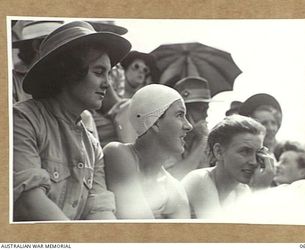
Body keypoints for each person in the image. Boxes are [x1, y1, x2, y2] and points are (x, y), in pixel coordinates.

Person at [13, 21, 131, 221]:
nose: (107, 84)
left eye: (109, 73)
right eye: (99, 72)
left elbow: (100, 212)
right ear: (68, 72)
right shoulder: (23, 120)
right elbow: (30, 203)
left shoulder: (93, 146)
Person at [103, 84, 192, 219]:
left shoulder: (176, 189)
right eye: (180, 115)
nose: (189, 126)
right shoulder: (117, 153)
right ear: (155, 122)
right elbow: (140, 230)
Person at [181, 115, 275, 220]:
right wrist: (259, 192)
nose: (253, 161)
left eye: (258, 153)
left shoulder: (242, 190)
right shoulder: (199, 180)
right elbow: (219, 232)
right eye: (245, 151)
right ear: (219, 152)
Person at [166, 76, 211, 180]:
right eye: (200, 109)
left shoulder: (199, 137)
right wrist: (202, 143)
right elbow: (175, 177)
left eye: (207, 109)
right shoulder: (166, 138)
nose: (205, 115)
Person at [12, 20, 64, 103]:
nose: (64, 51)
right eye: (58, 44)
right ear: (37, 46)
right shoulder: (11, 82)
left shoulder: (68, 76)